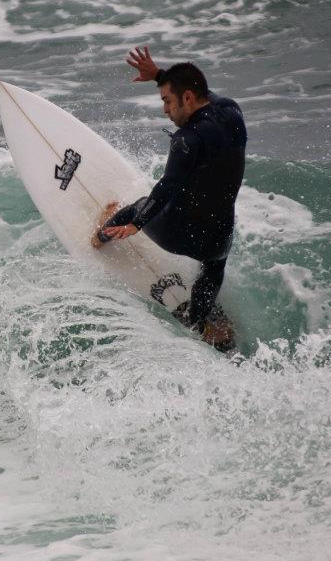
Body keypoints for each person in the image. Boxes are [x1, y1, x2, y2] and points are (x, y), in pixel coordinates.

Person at [92, 47, 247, 345]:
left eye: (167, 101)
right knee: (213, 267)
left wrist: (136, 224)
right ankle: (200, 321)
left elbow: (166, 187)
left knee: (136, 206)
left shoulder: (186, 140)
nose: (165, 109)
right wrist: (160, 76)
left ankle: (99, 237)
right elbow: (205, 94)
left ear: (187, 98)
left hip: (180, 234)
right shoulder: (232, 112)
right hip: (220, 238)